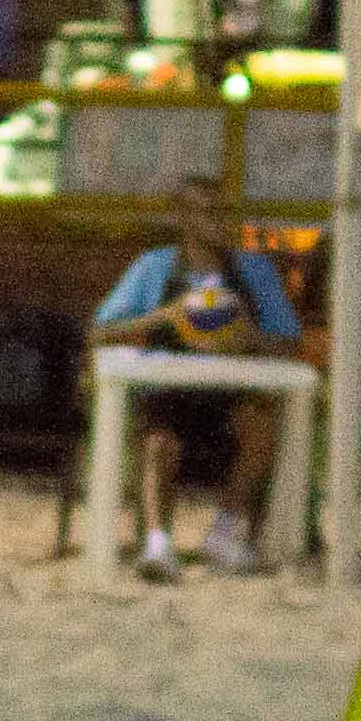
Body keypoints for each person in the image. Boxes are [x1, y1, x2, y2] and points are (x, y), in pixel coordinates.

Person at [93, 179, 304, 582]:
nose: (221, 222)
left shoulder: (253, 270)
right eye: (210, 212)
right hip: (171, 393)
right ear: (184, 218)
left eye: (226, 212)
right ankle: (157, 544)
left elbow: (290, 342)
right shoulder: (155, 267)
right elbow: (99, 331)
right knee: (158, 443)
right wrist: (166, 316)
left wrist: (250, 337)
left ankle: (223, 534)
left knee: (261, 428)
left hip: (230, 394)